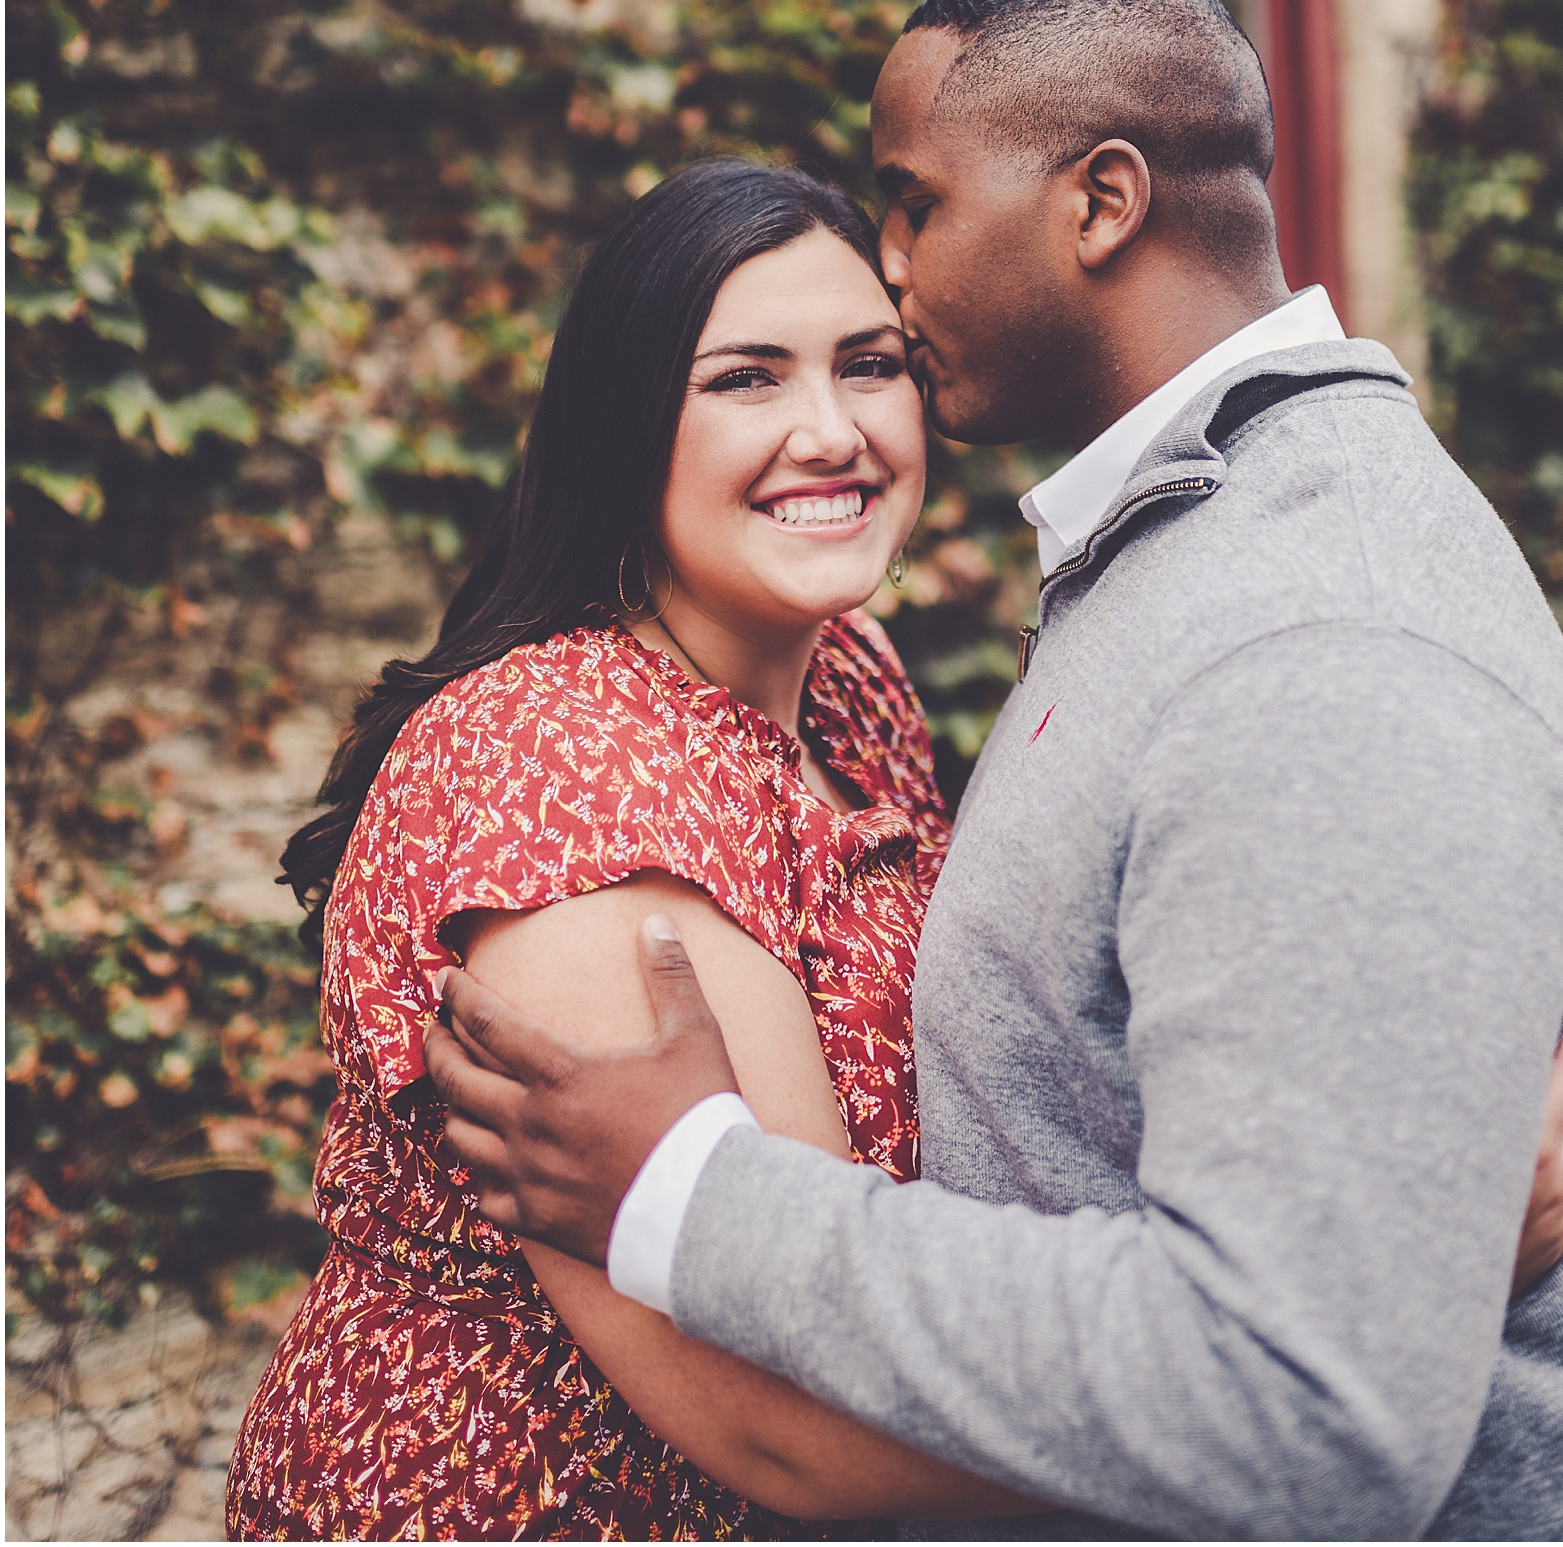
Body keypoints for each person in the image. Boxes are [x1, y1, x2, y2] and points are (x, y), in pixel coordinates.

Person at [428, 0, 1563, 1543]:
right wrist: (1438, 1248)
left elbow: (1304, 1408)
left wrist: (697, 1194)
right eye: (747, 374)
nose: (891, 277)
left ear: (1099, 204)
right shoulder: (1193, 551)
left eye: (913, 204)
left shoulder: (1318, 637)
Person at [229, 158, 1053, 1541]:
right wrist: (1297, 1359)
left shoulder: (846, 679)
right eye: (746, 379)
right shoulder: (558, 782)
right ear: (627, 425)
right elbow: (810, 1413)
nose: (832, 429)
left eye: (871, 364)